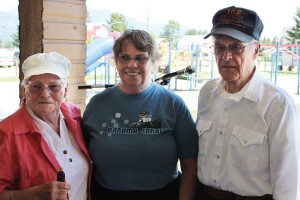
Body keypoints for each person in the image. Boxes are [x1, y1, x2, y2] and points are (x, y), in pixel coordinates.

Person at [196, 6, 300, 200]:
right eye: (219, 47)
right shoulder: (207, 93)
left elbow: (287, 182)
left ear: (256, 50)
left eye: (236, 47)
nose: (226, 56)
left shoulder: (277, 104)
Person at [82, 29, 198, 200]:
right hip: (106, 194)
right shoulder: (97, 104)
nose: (132, 64)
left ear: (153, 62)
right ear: (116, 61)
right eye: (124, 57)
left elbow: (190, 165)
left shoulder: (173, 104)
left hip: (163, 194)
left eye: (140, 58)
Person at [0, 52, 92, 200]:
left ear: (65, 91)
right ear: (24, 91)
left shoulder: (74, 116)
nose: (44, 94)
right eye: (35, 86)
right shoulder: (7, 132)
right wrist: (33, 195)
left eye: (54, 86)